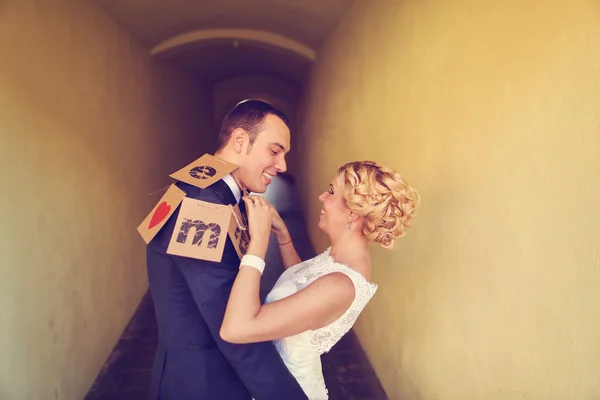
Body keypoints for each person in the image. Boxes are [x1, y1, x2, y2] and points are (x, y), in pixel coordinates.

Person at [145, 99, 307, 400]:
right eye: (274, 151)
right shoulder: (202, 207)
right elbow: (231, 325)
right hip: (202, 383)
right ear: (240, 140)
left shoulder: (215, 193)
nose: (283, 166)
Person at [220, 160, 420, 399]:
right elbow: (305, 288)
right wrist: (284, 236)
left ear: (353, 213)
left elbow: (236, 329)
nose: (321, 197)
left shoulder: (340, 285)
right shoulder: (341, 260)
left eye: (331, 192)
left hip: (286, 390)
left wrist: (258, 244)